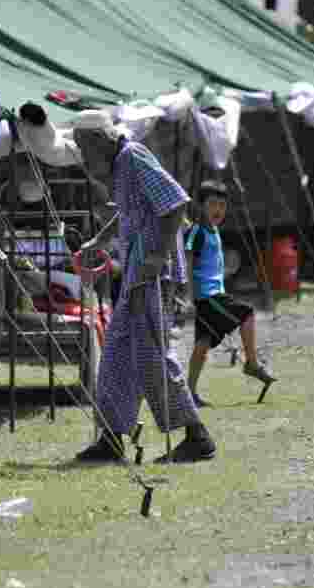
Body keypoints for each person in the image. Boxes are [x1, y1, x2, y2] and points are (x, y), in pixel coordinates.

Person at [72, 122, 216, 464]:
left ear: (102, 140)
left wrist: (157, 255)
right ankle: (111, 437)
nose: (84, 156)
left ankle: (197, 436)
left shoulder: (133, 156)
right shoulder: (120, 165)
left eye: (86, 147)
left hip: (153, 273)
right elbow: (129, 212)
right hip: (137, 271)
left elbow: (176, 203)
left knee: (152, 355)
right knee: (117, 354)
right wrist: (100, 241)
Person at [184, 180, 276, 407]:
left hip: (213, 293)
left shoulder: (213, 231)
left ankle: (189, 394)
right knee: (246, 313)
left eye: (222, 206)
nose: (218, 210)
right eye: (213, 204)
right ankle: (252, 364)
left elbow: (208, 265)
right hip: (207, 297)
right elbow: (187, 262)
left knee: (202, 347)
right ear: (200, 206)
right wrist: (188, 297)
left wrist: (224, 272)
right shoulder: (197, 231)